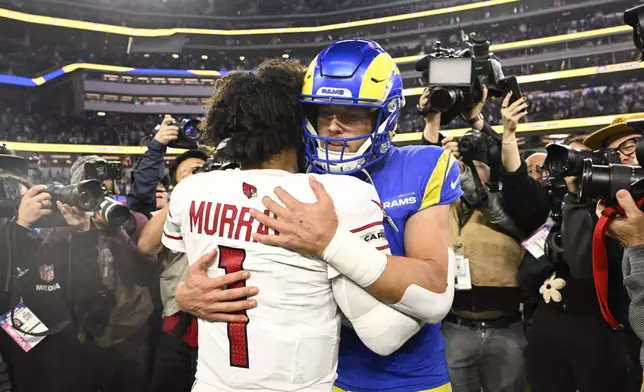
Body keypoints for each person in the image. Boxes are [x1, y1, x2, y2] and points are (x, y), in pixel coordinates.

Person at [164, 58, 440, 392]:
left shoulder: (189, 191)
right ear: (300, 123)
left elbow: (175, 271)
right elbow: (385, 336)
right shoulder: (336, 194)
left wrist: (182, 294)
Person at [236, 39, 460, 392]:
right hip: (320, 375)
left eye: (353, 115)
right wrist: (191, 293)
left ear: (385, 115)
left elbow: (432, 281)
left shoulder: (424, 165)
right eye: (325, 113)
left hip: (412, 380)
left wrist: (329, 243)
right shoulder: (294, 172)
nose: (334, 127)